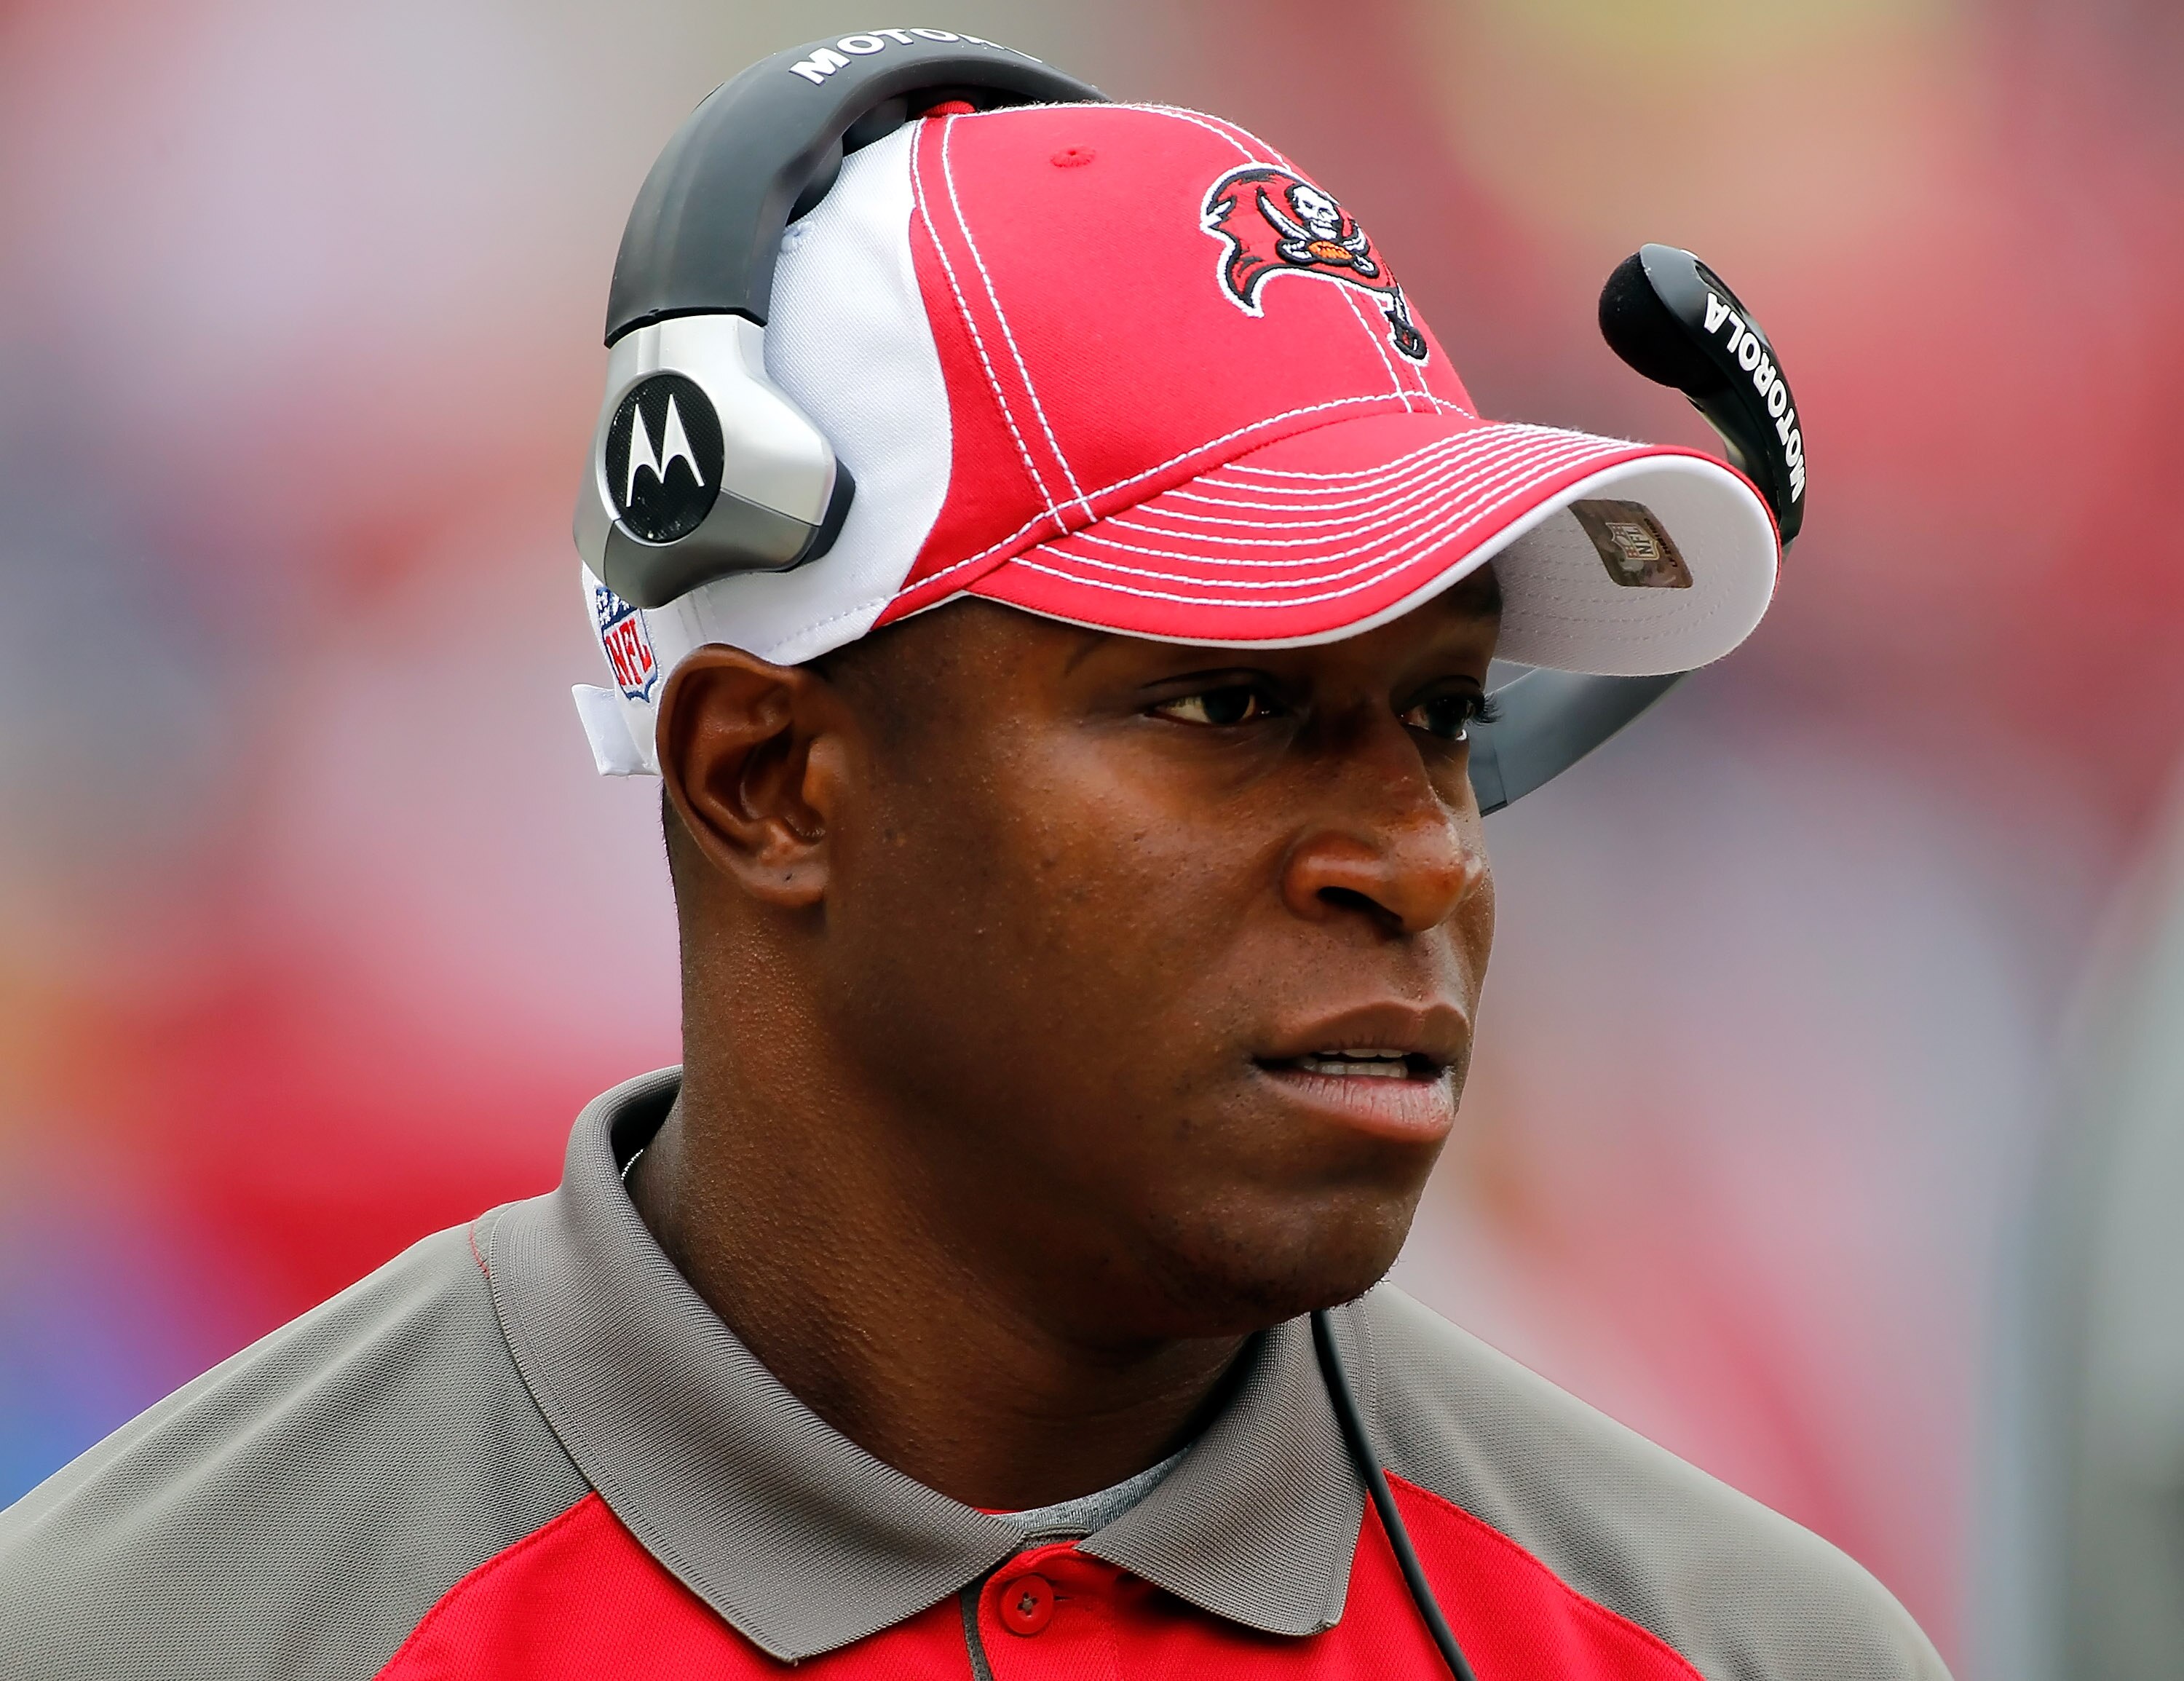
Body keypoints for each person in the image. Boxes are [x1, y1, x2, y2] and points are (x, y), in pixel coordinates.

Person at [0, 75, 1945, 1681]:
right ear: (765, 783)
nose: (1421, 854)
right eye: (1223, 706)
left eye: (1440, 718)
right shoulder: (162, 1630)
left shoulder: (1734, 1646)